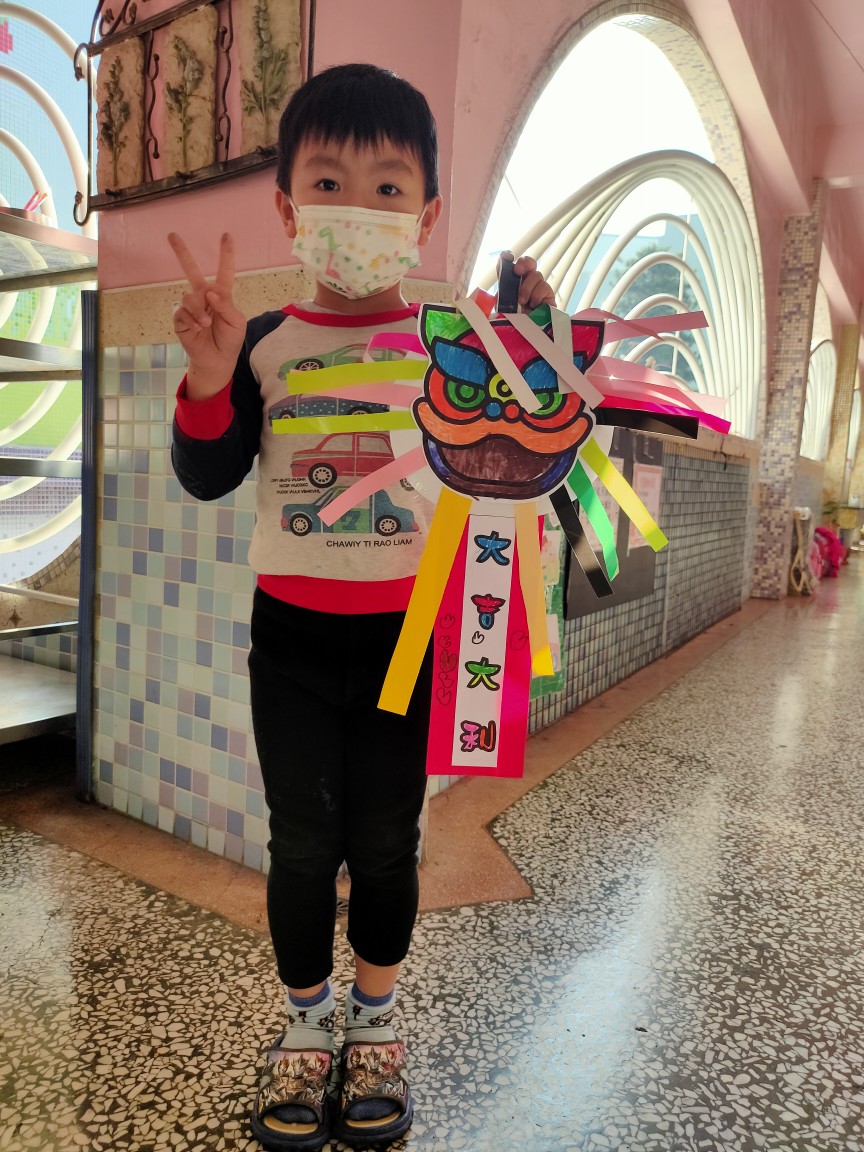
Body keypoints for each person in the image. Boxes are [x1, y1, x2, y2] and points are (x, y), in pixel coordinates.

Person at [169, 63, 554, 1151]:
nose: (359, 206)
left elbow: (517, 446)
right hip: (289, 641)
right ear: (288, 205)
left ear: (426, 216)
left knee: (386, 843)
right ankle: (306, 1025)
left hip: (408, 641)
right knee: (301, 845)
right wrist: (209, 379)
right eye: (329, 181)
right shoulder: (259, 342)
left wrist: (533, 351)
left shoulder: (452, 348)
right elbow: (207, 475)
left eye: (389, 187)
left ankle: (374, 1022)